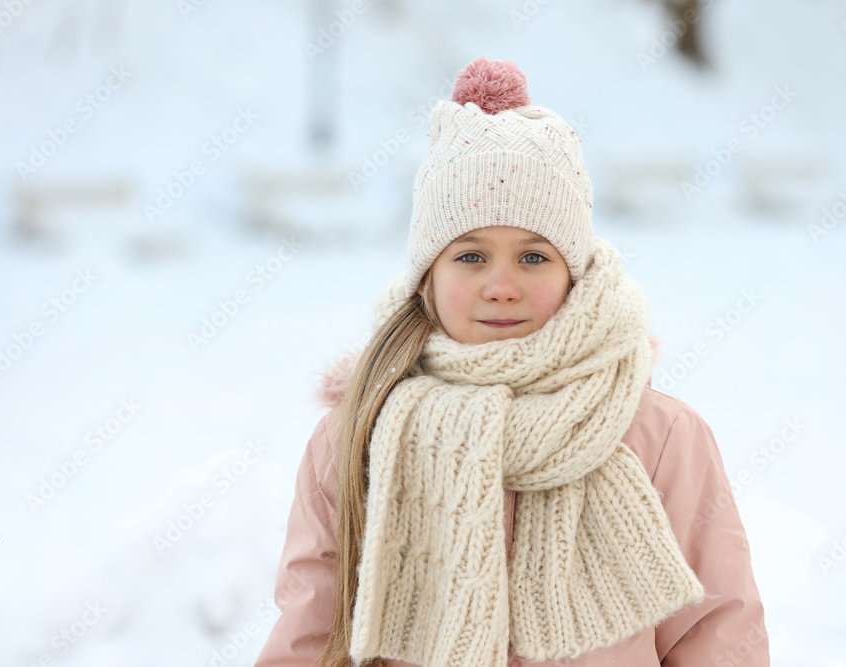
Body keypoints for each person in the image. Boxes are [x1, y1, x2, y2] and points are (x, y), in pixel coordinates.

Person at [254, 56, 769, 667]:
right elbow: (312, 630)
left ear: (574, 274)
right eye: (471, 257)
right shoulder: (362, 432)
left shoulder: (659, 436)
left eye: (533, 257)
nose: (502, 285)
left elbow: (715, 631)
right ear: (428, 277)